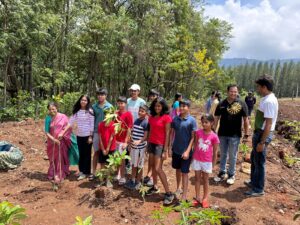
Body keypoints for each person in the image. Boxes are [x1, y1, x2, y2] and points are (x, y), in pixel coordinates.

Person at [244, 75, 278, 197]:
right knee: (254, 158)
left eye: (259, 87)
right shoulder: (266, 98)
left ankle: (258, 188)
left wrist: (262, 142)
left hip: (262, 134)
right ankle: (254, 181)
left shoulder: (269, 101)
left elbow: (268, 124)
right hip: (259, 132)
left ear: (264, 87)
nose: (257, 89)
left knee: (259, 162)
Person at [214, 84, 249, 185]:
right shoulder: (221, 103)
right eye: (231, 91)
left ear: (237, 92)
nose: (233, 93)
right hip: (222, 134)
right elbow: (216, 118)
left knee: (233, 155)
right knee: (223, 154)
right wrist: (213, 131)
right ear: (227, 92)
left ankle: (231, 174)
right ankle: (222, 172)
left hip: (235, 135)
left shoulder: (242, 103)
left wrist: (246, 134)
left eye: (235, 91)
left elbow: (246, 120)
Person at [146, 97, 174, 205]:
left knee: (158, 168)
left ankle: (168, 193)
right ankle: (155, 186)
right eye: (155, 106)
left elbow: (168, 134)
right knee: (153, 166)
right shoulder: (152, 117)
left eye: (159, 106)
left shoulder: (166, 118)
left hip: (160, 145)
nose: (157, 108)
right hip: (152, 144)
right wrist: (148, 144)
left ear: (163, 106)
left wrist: (165, 149)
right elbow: (151, 131)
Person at [59, 95, 94, 181]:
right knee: (81, 154)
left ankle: (86, 172)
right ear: (79, 101)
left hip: (87, 136)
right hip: (79, 135)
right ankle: (82, 171)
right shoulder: (77, 111)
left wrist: (90, 136)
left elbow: (92, 124)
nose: (83, 102)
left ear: (88, 102)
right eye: (82, 100)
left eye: (85, 100)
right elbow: (70, 122)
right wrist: (63, 132)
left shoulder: (90, 111)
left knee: (87, 154)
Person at [169, 99, 197, 203]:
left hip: (186, 152)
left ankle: (184, 196)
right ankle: (178, 188)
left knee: (185, 173)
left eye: (184, 106)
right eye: (180, 106)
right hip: (176, 149)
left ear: (188, 108)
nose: (182, 108)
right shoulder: (175, 119)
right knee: (177, 170)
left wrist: (187, 151)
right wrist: (170, 147)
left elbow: (193, 138)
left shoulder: (192, 120)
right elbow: (172, 133)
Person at [192, 114, 219, 208]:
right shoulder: (198, 132)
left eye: (206, 122)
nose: (204, 124)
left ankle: (205, 198)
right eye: (202, 122)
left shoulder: (214, 136)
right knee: (197, 179)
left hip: (207, 162)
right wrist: (193, 157)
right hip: (197, 159)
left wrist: (213, 164)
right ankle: (197, 197)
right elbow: (195, 145)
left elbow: (215, 152)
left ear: (212, 123)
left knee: (205, 180)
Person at [45, 102, 71, 183]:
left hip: (61, 142)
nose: (52, 111)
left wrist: (62, 133)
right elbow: (46, 132)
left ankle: (59, 174)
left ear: (57, 108)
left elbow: (68, 125)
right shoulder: (48, 118)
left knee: (60, 158)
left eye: (53, 109)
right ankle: (53, 172)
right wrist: (54, 140)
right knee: (52, 158)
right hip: (52, 142)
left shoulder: (63, 116)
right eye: (50, 109)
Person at [125, 105, 149, 190]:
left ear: (146, 113)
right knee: (133, 164)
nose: (140, 112)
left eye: (142, 111)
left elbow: (146, 136)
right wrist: (130, 143)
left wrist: (139, 141)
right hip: (134, 147)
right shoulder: (136, 121)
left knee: (140, 165)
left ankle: (138, 182)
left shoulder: (146, 123)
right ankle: (132, 180)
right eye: (139, 111)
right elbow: (133, 133)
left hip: (140, 149)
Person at [91, 88, 112, 180]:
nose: (100, 96)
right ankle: (94, 172)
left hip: (107, 133)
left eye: (102, 94)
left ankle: (106, 174)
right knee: (96, 152)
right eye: (98, 94)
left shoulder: (110, 106)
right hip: (96, 132)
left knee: (107, 153)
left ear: (106, 95)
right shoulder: (94, 106)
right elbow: (91, 120)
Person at [115, 96, 133, 185]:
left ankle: (122, 177)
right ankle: (117, 174)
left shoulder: (128, 114)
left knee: (121, 160)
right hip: (116, 140)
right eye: (119, 103)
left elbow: (129, 128)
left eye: (122, 103)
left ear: (125, 104)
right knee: (116, 158)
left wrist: (126, 141)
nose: (120, 105)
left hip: (123, 141)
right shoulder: (116, 113)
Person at [144, 89, 160, 186]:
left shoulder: (161, 107)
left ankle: (154, 178)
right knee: (150, 157)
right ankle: (149, 174)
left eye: (154, 95)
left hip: (158, 138)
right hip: (150, 134)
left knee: (156, 161)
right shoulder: (150, 108)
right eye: (151, 95)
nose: (153, 97)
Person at [98, 119, 117, 188]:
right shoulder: (100, 124)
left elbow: (112, 137)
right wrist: (103, 149)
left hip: (111, 148)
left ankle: (108, 180)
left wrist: (107, 149)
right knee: (102, 164)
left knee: (109, 165)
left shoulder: (113, 124)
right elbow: (99, 137)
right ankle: (102, 180)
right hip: (102, 148)